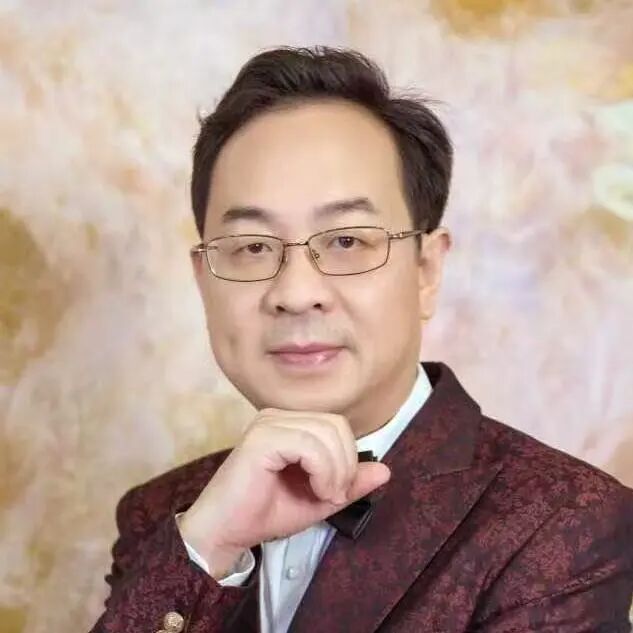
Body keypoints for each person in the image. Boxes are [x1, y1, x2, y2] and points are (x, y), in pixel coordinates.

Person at [91, 46, 633, 633]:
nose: (296, 293)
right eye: (252, 247)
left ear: (426, 270)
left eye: (346, 241)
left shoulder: (563, 520)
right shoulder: (167, 516)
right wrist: (206, 546)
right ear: (205, 281)